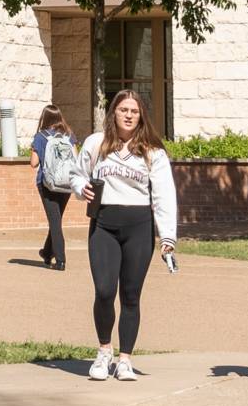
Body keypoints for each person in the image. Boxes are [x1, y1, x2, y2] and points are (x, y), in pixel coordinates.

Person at [77, 85, 178, 381]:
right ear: (114, 113)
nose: (129, 115)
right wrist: (78, 188)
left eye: (134, 111)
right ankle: (104, 351)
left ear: (141, 116)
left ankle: (125, 360)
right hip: (104, 225)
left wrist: (167, 238)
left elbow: (164, 196)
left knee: (131, 296)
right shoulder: (96, 143)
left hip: (139, 226)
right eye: (124, 110)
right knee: (105, 291)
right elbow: (76, 173)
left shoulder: (153, 152)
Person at [30, 106, 77, 270]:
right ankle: (47, 252)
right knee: (56, 220)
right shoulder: (69, 135)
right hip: (66, 183)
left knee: (55, 222)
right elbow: (75, 159)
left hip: (47, 183)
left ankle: (61, 259)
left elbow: (33, 163)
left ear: (44, 118)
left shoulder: (41, 136)